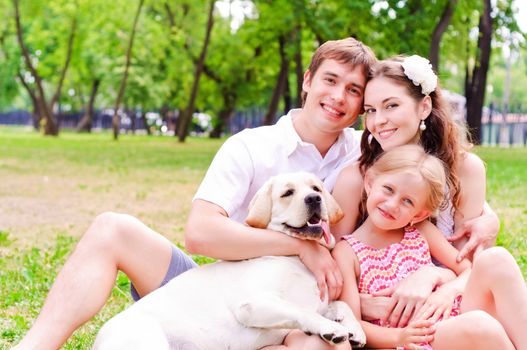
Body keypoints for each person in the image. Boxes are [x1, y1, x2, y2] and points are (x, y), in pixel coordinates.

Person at [13, 44, 497, 349]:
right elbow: (200, 233)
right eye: (329, 80)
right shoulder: (252, 145)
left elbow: (415, 190)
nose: (341, 97)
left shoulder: (365, 153)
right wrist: (300, 244)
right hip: (223, 287)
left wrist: (484, 220)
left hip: (300, 298)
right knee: (113, 228)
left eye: (355, 91)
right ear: (307, 82)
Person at [272, 145, 527, 350]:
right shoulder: (346, 252)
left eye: (407, 201)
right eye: (388, 189)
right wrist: (399, 338)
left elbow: (467, 268)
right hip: (418, 337)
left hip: (454, 313)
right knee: (481, 325)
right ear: (370, 183)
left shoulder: (420, 230)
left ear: (419, 213)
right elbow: (354, 323)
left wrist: (445, 291)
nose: (393, 204)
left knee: (497, 258)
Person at [331, 55, 499, 329]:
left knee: (497, 264)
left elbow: (468, 266)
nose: (379, 121)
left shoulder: (465, 170)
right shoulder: (356, 178)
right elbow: (336, 270)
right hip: (392, 318)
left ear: (424, 107)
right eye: (371, 110)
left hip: (452, 305)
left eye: (391, 106)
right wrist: (363, 305)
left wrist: (434, 278)